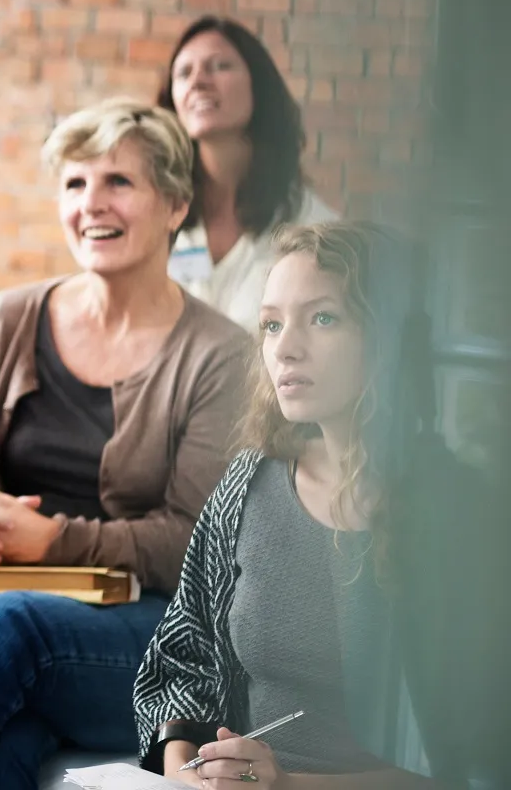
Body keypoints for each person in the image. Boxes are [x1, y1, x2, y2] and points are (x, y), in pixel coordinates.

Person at [0, 98, 254, 790]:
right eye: (74, 183)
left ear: (176, 204)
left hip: (147, 637)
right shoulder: (10, 317)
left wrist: (52, 541)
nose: (91, 203)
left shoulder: (220, 355)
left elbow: (194, 543)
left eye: (118, 182)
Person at [135, 222, 509, 786]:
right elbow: (180, 661)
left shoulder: (457, 513)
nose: (285, 346)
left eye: (323, 317)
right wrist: (184, 772)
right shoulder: (248, 484)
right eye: (271, 324)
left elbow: (477, 763)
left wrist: (285, 785)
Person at [160, 16, 336, 330]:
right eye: (184, 72)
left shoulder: (312, 225)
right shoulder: (156, 214)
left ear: (259, 86)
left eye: (219, 66)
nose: (198, 81)